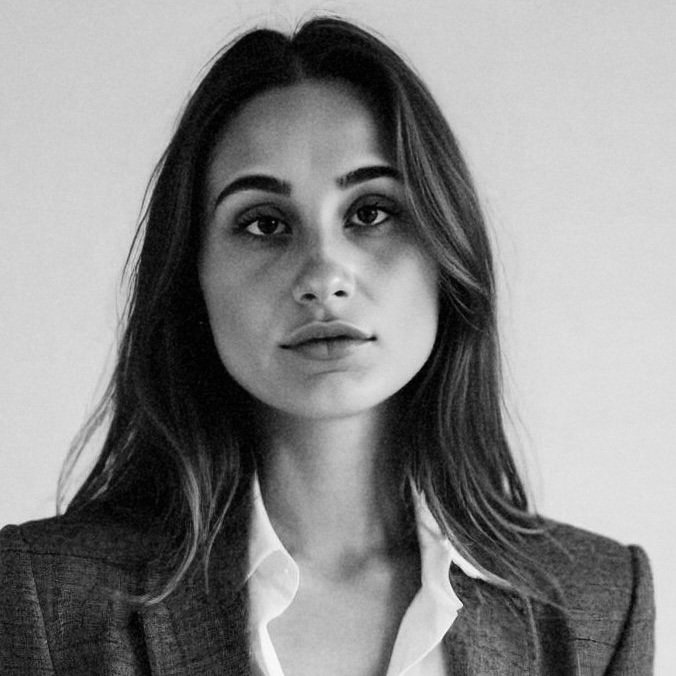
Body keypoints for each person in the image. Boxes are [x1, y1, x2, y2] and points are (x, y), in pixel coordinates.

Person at [0, 16, 654, 675]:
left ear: (447, 252)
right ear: (192, 278)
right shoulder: (44, 601)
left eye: (371, 212)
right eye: (264, 223)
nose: (323, 276)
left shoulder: (596, 607)